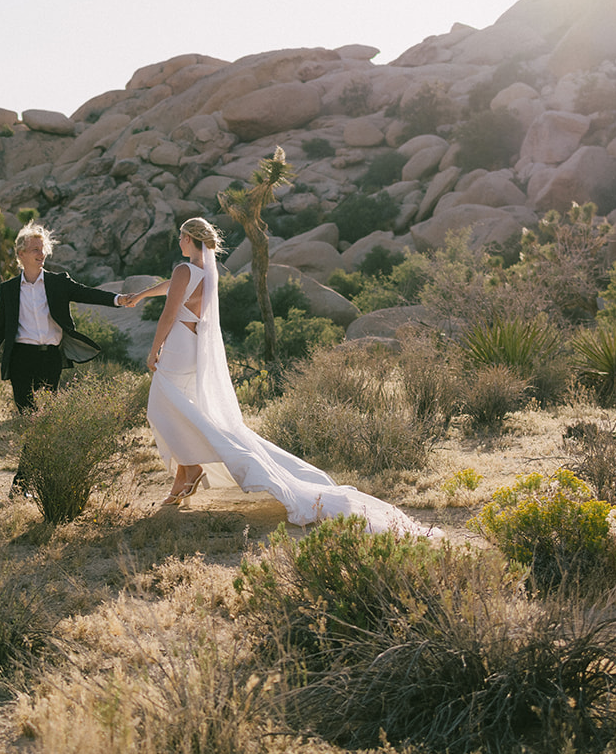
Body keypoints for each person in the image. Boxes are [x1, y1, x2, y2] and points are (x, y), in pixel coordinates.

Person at [121, 217, 440, 538]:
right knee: (184, 410)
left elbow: (170, 311)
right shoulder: (205, 273)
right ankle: (186, 473)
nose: (179, 242)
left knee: (161, 409)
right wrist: (142, 295)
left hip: (176, 347)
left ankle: (190, 469)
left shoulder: (184, 269)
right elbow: (173, 288)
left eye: (180, 237)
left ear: (189, 238)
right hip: (193, 349)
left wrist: (154, 349)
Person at [0, 222, 123, 414]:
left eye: (43, 250)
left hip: (50, 358)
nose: (41, 254)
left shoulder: (58, 283)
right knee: (27, 412)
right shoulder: (9, 289)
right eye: (35, 250)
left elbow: (87, 294)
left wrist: (118, 299)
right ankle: (30, 445)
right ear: (21, 254)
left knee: (47, 413)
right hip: (21, 357)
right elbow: (0, 328)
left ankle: (40, 445)